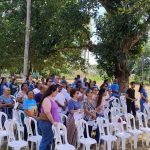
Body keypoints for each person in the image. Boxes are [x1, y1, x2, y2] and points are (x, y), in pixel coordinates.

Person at [38, 85, 60, 150]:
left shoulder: (52, 98)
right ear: (52, 91)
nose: (57, 93)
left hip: (50, 123)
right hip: (47, 123)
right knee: (45, 141)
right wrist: (53, 122)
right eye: (56, 91)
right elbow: (47, 112)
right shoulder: (47, 99)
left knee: (49, 141)